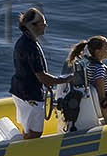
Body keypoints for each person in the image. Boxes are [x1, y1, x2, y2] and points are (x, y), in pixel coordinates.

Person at [10, 8, 75, 138]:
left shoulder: (25, 41)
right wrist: (66, 79)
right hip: (30, 96)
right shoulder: (30, 47)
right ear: (32, 26)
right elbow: (43, 78)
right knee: (35, 132)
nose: (45, 25)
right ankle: (26, 153)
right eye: (42, 23)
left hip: (20, 91)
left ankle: (25, 143)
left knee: (28, 128)